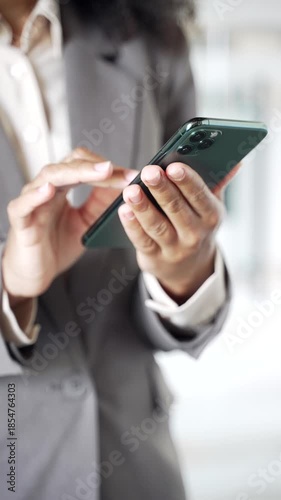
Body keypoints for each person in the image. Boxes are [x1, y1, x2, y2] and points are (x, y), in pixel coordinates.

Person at [0, 0, 230, 499]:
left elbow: (167, 306)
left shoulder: (148, 36)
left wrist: (182, 271)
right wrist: (11, 287)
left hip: (136, 467)